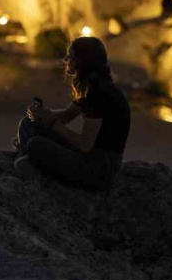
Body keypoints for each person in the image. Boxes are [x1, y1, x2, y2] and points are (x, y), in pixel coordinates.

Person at [14, 36, 131, 191]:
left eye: (70, 56)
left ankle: (29, 157)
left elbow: (85, 145)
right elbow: (66, 116)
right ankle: (30, 158)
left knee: (36, 145)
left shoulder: (100, 93)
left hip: (98, 169)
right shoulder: (91, 86)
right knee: (28, 124)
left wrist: (52, 123)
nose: (65, 59)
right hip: (87, 157)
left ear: (82, 62)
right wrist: (42, 115)